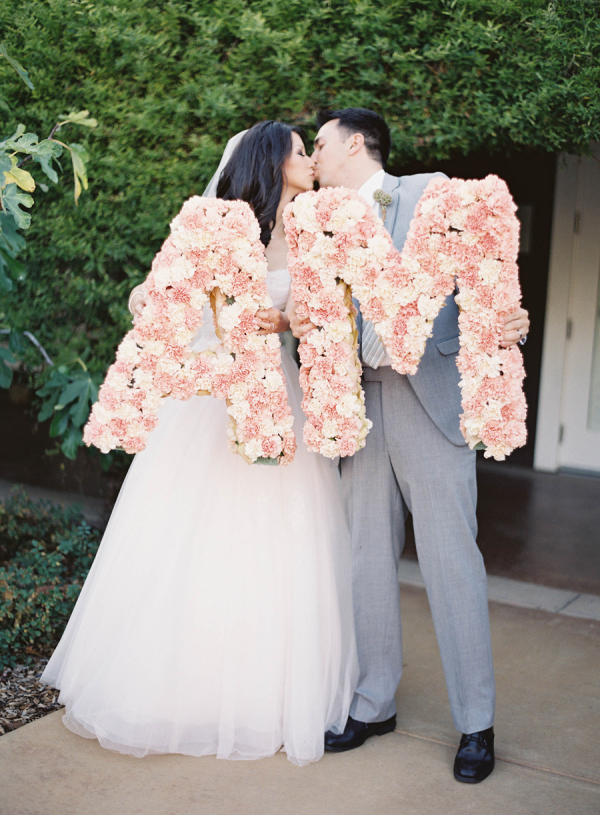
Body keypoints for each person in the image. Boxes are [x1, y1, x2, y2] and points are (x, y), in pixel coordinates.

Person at [41, 121, 359, 767]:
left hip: (280, 397)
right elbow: (149, 296)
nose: (311, 161)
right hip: (212, 397)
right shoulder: (218, 227)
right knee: (198, 533)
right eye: (302, 152)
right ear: (274, 163)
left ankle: (265, 693)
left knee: (280, 540)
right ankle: (180, 689)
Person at [290, 108, 530, 783]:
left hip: (429, 398)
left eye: (321, 144)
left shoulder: (429, 192)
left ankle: (476, 724)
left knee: (451, 561)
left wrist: (510, 316)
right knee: (365, 554)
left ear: (356, 143)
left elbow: (486, 274)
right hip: (361, 402)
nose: (313, 156)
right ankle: (373, 702)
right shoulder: (321, 222)